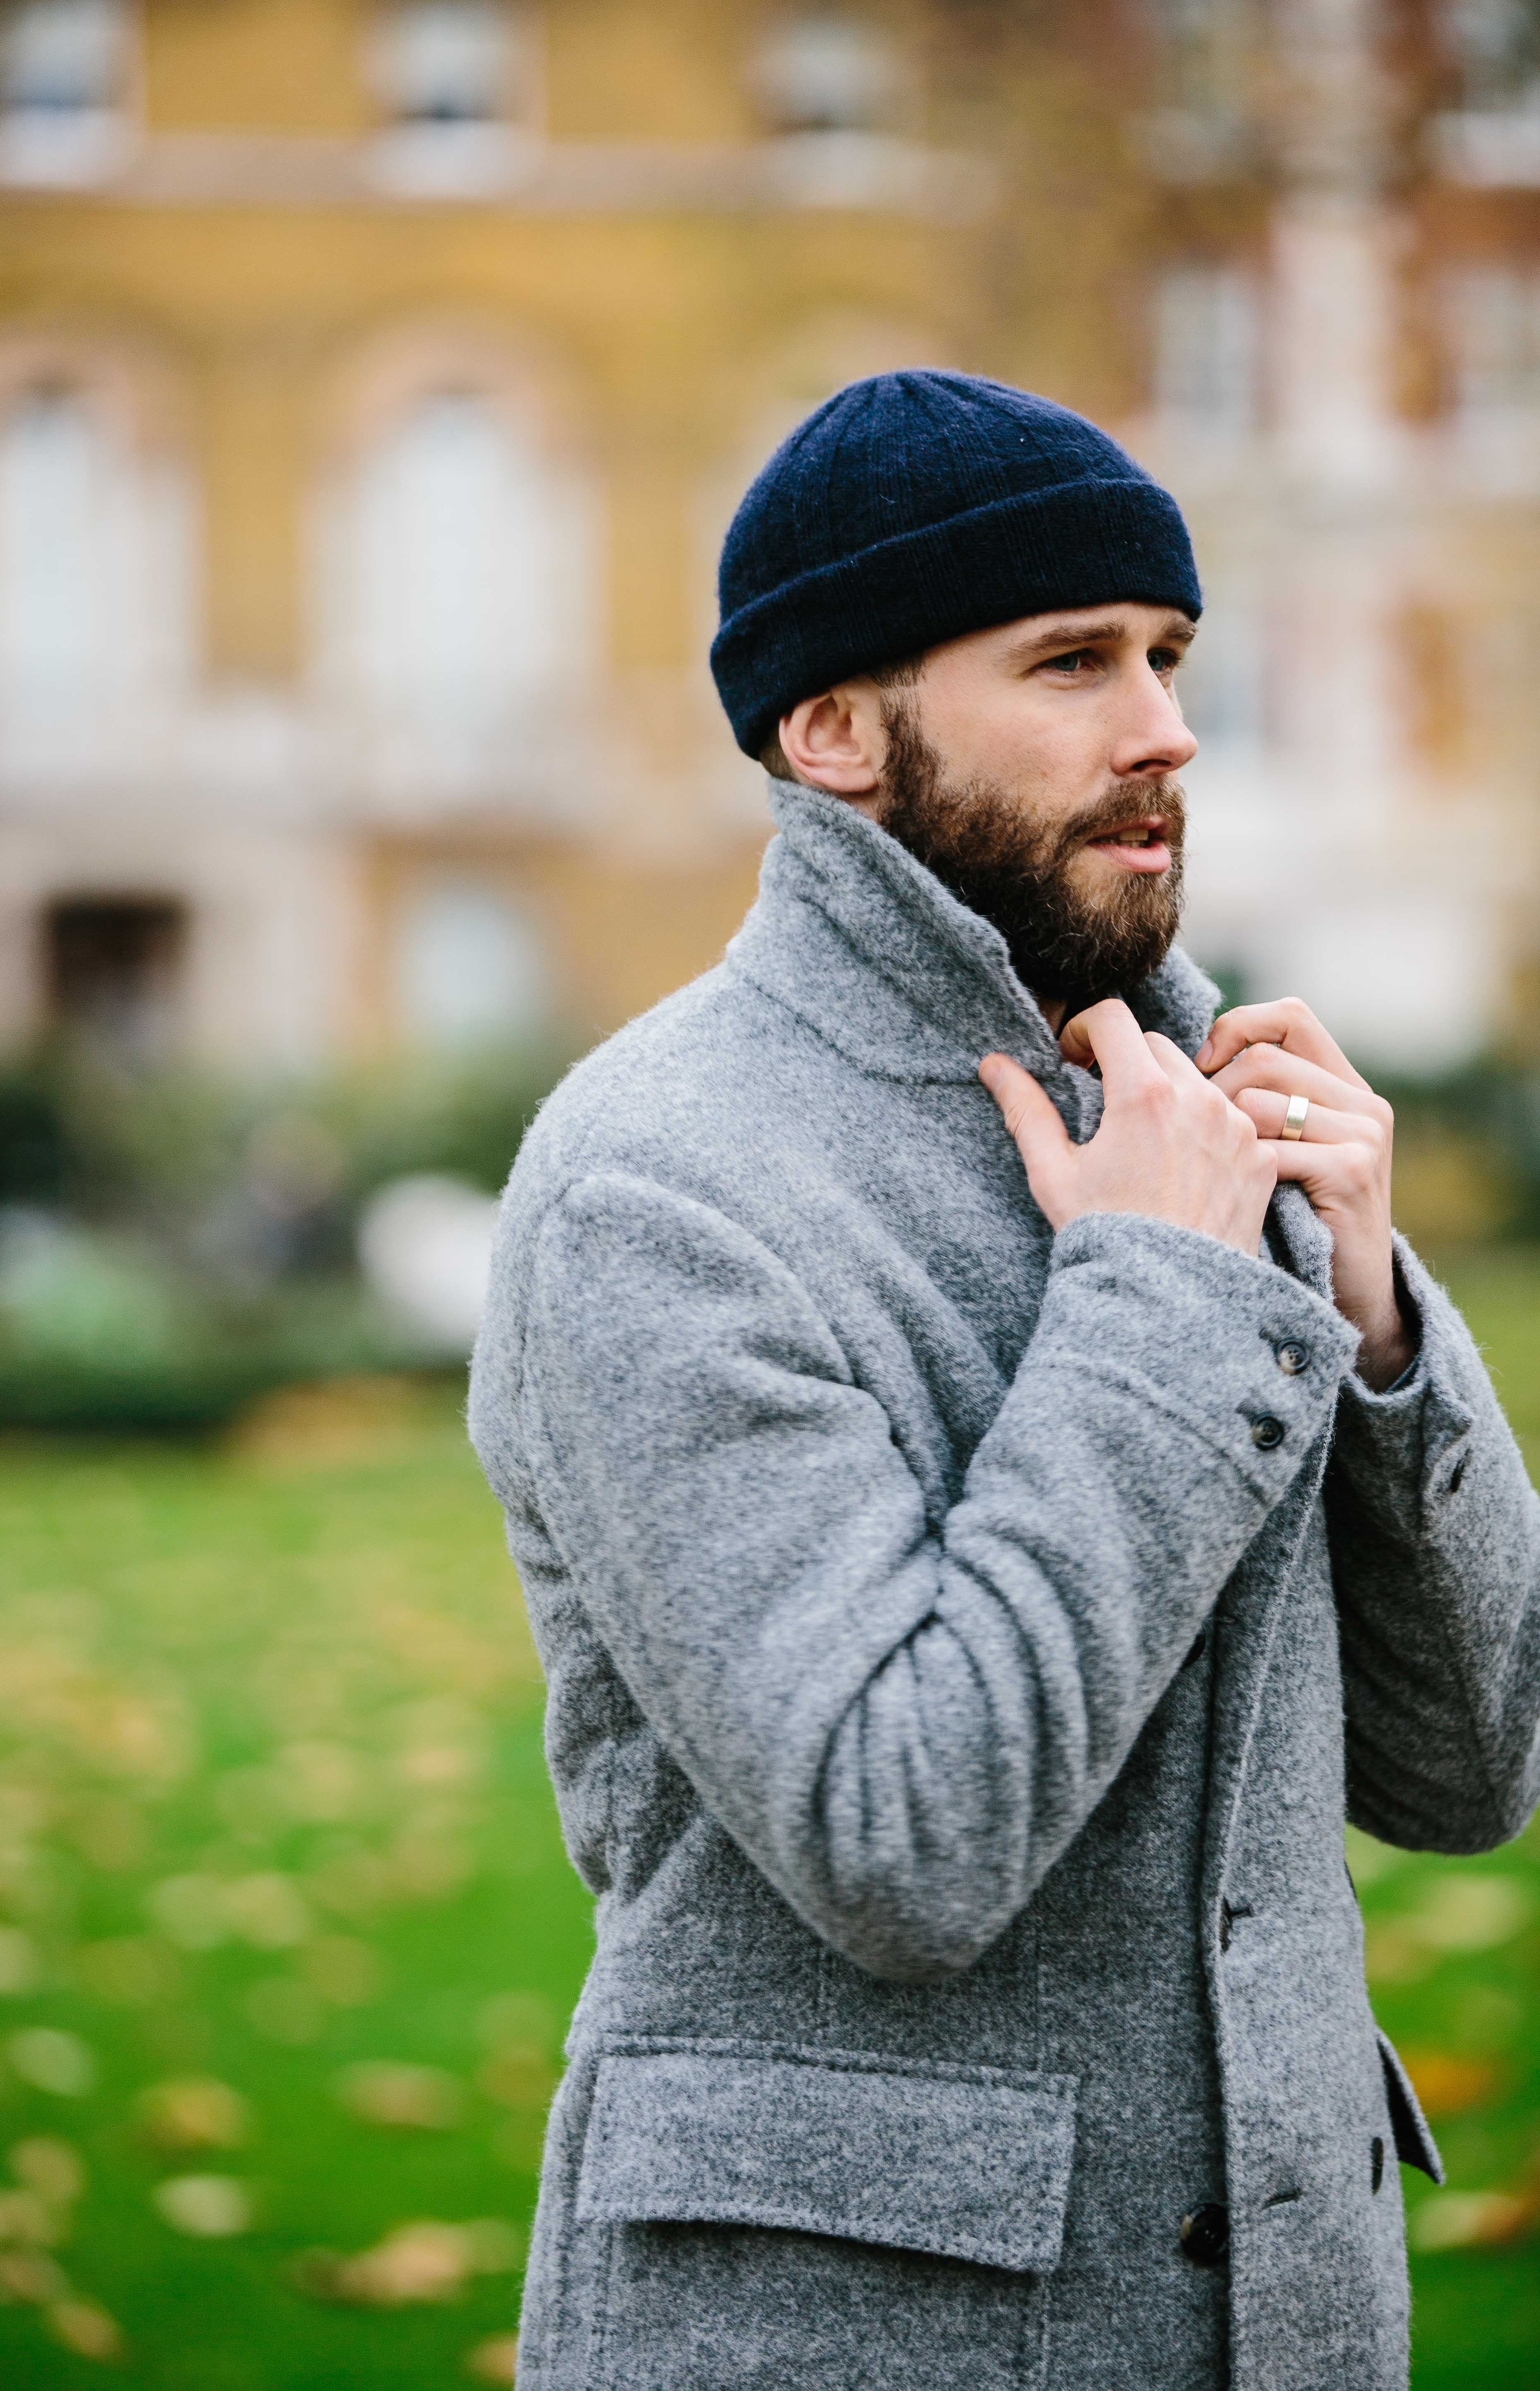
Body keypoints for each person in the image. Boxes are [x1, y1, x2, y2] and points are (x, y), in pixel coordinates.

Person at [468, 372, 1540, 2391]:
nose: (1167, 727)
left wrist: (1377, 1315)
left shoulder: (1208, 1117)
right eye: (1072, 662)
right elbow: (902, 1841)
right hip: (852, 2339)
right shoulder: (656, 1183)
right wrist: (1156, 1294)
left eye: (1168, 654)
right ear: (837, 730)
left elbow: (1477, 1771)